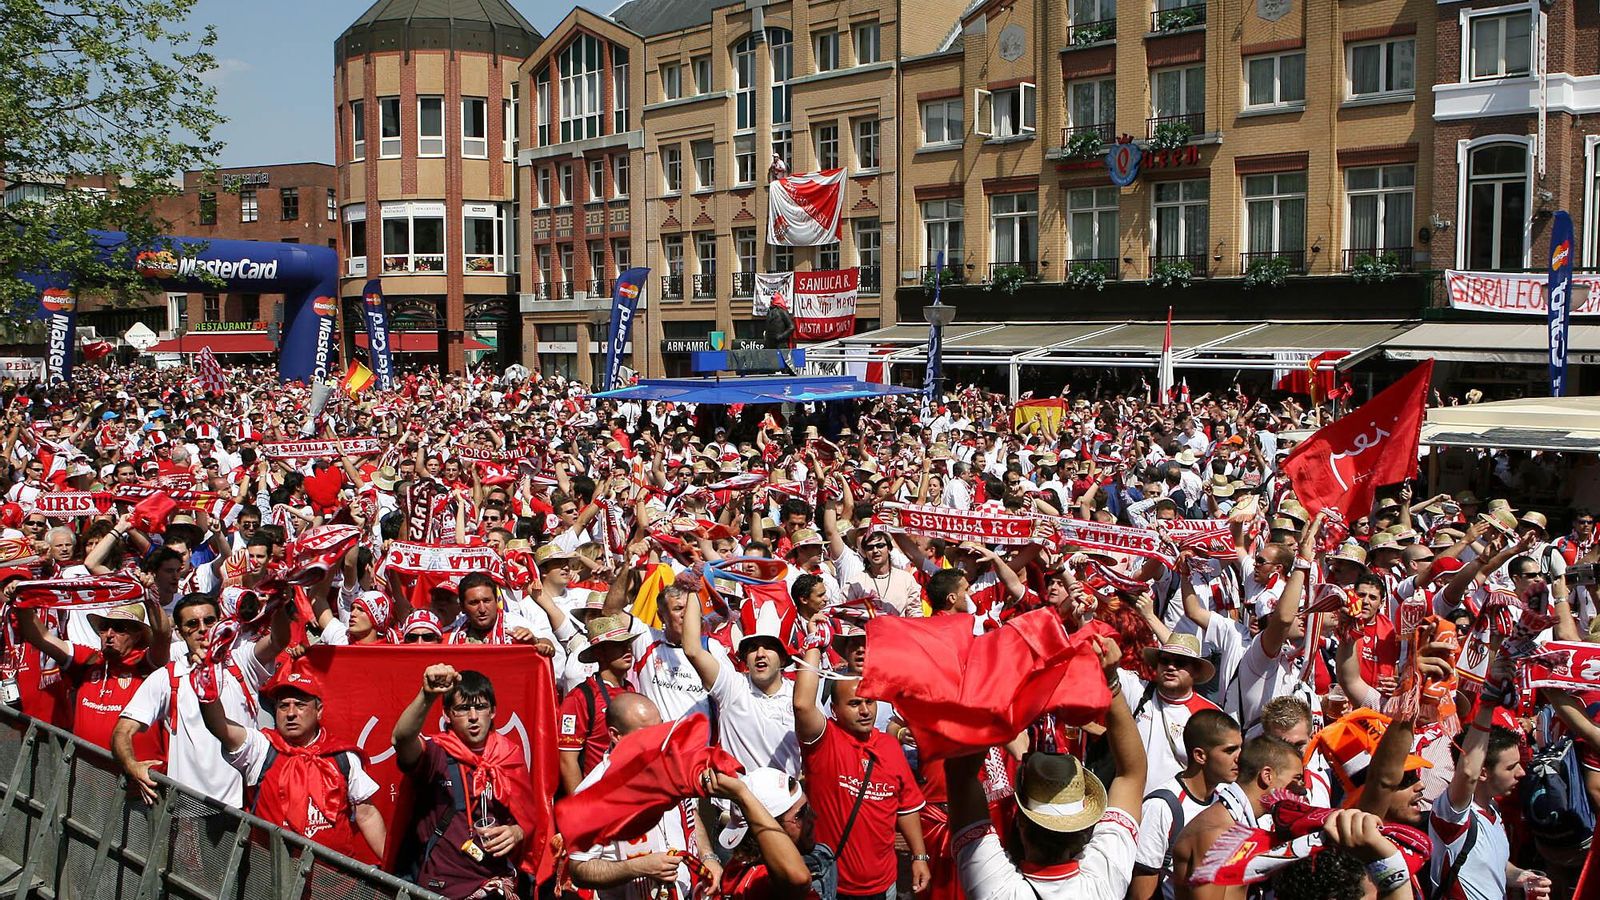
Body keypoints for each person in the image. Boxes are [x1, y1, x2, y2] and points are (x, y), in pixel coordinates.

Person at [944, 631, 1146, 899]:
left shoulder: (995, 888)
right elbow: (1132, 775)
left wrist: (991, 689)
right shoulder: (1104, 881)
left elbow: (960, 776)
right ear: (1083, 830)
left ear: (1022, 825)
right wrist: (1110, 683)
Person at [793, 613, 931, 899]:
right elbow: (802, 705)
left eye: (869, 702)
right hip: (831, 885)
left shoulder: (890, 747)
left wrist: (919, 856)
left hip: (884, 886)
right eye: (854, 704)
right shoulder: (824, 742)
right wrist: (815, 645)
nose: (865, 710)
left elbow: (906, 807)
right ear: (834, 710)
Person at [195, 659, 386, 859]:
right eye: (283, 706)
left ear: (319, 711)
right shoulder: (261, 748)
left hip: (334, 884)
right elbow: (220, 727)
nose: (291, 713)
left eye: (300, 705)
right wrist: (206, 689)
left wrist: (392, 872)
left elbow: (367, 814)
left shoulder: (342, 756)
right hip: (273, 881)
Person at [112, 592, 290, 807]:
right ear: (180, 631)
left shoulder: (241, 661)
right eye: (192, 624)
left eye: (209, 621)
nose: (203, 629)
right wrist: (132, 765)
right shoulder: (166, 677)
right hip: (190, 804)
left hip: (244, 803)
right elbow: (123, 730)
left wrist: (280, 604)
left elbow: (278, 640)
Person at [392, 665, 541, 900]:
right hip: (442, 887)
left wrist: (516, 832)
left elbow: (529, 820)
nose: (473, 716)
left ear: (492, 711)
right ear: (447, 715)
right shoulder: (436, 753)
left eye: (480, 707)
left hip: (495, 882)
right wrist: (427, 695)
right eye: (462, 709)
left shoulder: (509, 755)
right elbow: (401, 739)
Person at [569, 691, 717, 900]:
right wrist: (637, 867)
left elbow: (690, 815)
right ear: (616, 735)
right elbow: (579, 869)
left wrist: (708, 857)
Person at [1168, 736, 1305, 899]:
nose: (1301, 790)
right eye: (1296, 779)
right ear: (1267, 776)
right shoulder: (1218, 835)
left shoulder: (1237, 823)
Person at [1129, 709, 1242, 900]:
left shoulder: (1225, 802)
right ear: (1200, 756)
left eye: (1240, 748)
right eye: (1230, 750)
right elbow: (1142, 894)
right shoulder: (1162, 807)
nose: (1240, 758)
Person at [1120, 634, 1222, 792]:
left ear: (1195, 671)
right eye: (1165, 660)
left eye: (1180, 663)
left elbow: (1220, 769)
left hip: (1176, 811)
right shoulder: (1139, 691)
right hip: (1132, 803)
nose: (1171, 667)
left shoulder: (1211, 715)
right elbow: (1102, 661)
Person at [557, 614, 634, 793]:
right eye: (618, 645)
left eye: (628, 643)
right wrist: (581, 810)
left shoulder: (630, 690)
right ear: (599, 653)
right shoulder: (580, 698)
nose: (627, 649)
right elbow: (567, 760)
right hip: (597, 799)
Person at [713, 767, 814, 899]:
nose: (813, 817)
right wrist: (742, 794)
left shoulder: (740, 866)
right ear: (772, 825)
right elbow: (799, 879)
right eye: (802, 813)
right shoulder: (761, 879)